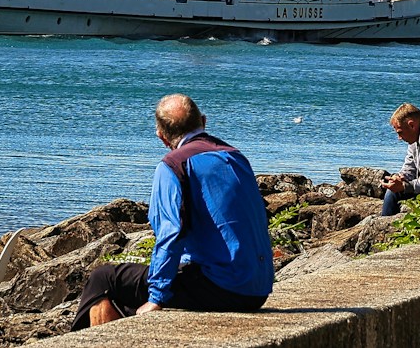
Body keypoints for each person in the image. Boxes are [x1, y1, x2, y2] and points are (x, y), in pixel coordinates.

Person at [71, 94, 272, 328]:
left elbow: (170, 234)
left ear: (161, 136)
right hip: (257, 287)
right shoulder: (235, 157)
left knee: (104, 278)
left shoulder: (174, 166)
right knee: (128, 305)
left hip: (224, 287)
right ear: (203, 122)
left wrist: (156, 297)